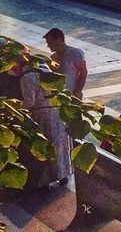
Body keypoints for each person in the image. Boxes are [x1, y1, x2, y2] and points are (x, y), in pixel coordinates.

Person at [11, 58, 71, 190]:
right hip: (57, 112)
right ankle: (62, 175)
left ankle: (45, 180)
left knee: (44, 147)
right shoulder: (46, 71)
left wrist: (14, 109)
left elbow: (29, 102)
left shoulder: (27, 78)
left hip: (41, 115)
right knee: (59, 145)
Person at [44, 28, 87, 98]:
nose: (48, 46)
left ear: (59, 40)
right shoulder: (53, 58)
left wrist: (78, 91)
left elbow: (83, 72)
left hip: (72, 94)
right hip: (59, 96)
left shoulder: (75, 53)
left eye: (50, 42)